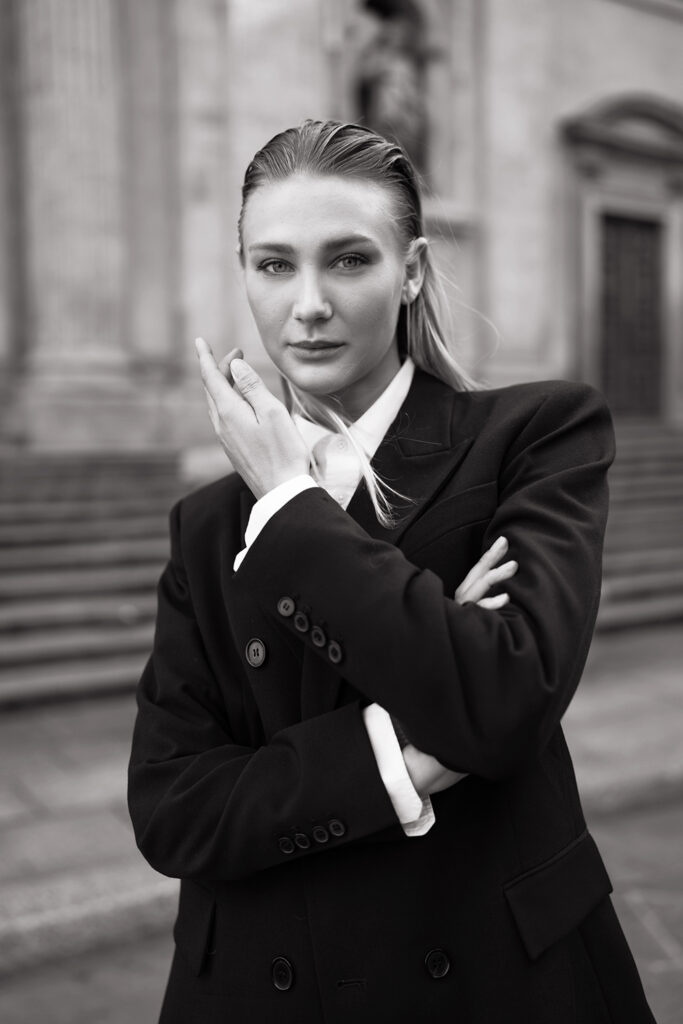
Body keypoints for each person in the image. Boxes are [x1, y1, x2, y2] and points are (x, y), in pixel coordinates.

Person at [128, 120, 655, 1023]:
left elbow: (504, 698)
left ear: (409, 271)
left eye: (348, 260)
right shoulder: (206, 523)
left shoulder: (533, 437)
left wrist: (289, 505)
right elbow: (174, 809)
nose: (308, 305)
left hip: (491, 980)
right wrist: (399, 754)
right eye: (274, 265)